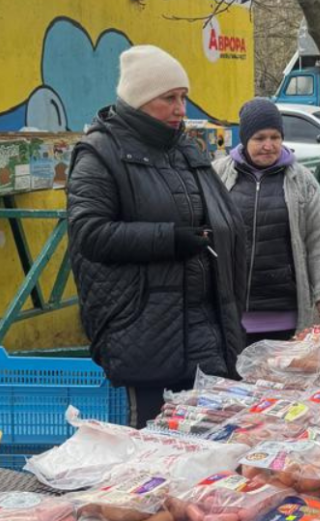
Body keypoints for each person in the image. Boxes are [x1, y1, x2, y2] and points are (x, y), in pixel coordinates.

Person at [67, 45, 247, 425]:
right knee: (154, 450)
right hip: (146, 329)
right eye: (169, 98)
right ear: (140, 100)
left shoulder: (183, 148)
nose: (181, 108)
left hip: (206, 327)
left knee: (212, 447)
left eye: (183, 97)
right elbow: (89, 233)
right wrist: (170, 239)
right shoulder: (100, 153)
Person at [213, 98, 320, 341]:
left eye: (275, 137)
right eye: (259, 138)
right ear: (245, 139)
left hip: (284, 314)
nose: (268, 145)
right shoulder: (218, 175)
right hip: (230, 313)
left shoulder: (302, 181)